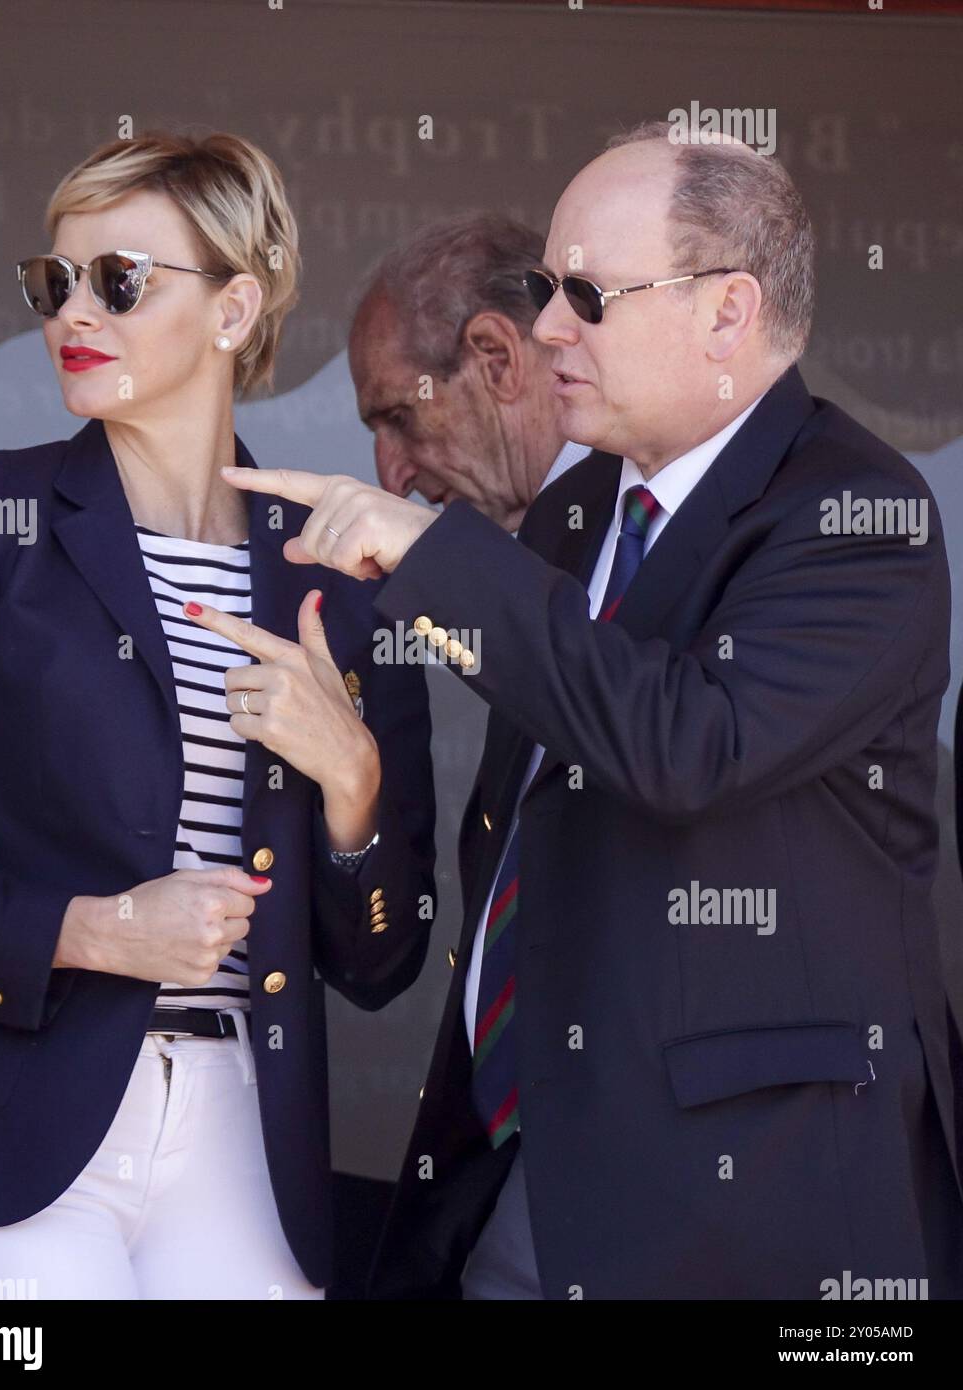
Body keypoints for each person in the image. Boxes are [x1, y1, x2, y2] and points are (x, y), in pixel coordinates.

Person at [219, 121, 963, 1299]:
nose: (550, 326)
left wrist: (431, 550)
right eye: (541, 291)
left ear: (728, 311)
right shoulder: (577, 520)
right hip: (522, 1165)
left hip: (744, 1206)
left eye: (584, 294)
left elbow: (686, 745)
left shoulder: (855, 516)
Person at [0, 130, 435, 1300]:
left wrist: (350, 785)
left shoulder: (337, 583)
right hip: (13, 1130)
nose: (71, 312)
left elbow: (385, 959)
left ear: (235, 308)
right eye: (54, 281)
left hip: (247, 1137)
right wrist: (89, 930)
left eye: (119, 281)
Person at [349, 214, 587, 531]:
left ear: (496, 358)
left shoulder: (635, 523)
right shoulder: (574, 529)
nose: (393, 482)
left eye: (399, 418)